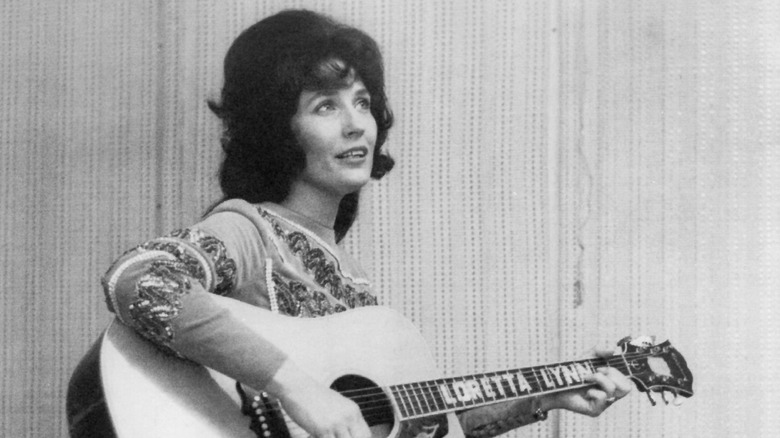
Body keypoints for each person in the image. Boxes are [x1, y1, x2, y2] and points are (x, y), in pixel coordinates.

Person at [81, 9, 632, 438]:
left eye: (363, 102)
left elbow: (417, 422)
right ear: (279, 127)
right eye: (325, 106)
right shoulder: (250, 231)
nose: (356, 125)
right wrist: (295, 387)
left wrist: (548, 394)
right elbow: (139, 277)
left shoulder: (352, 281)